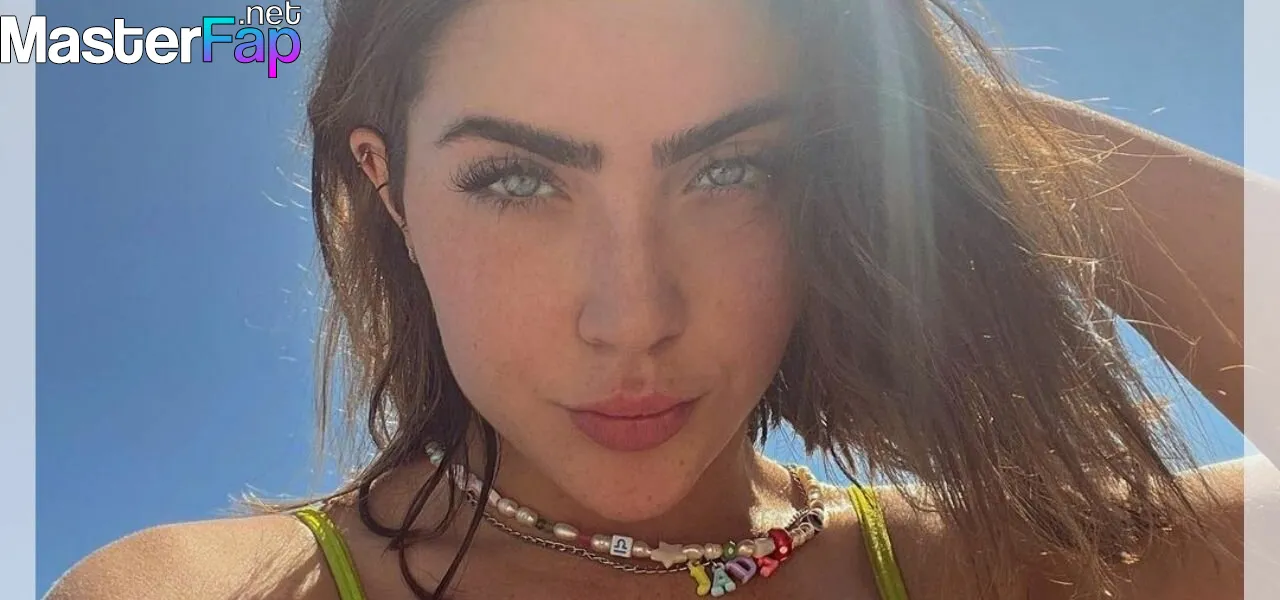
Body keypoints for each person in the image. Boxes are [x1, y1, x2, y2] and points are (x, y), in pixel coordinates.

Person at [46, 0, 1272, 598]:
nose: (632, 316)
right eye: (516, 179)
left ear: (833, 174)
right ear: (389, 188)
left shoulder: (1003, 568)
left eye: (732, 169)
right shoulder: (197, 596)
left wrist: (946, 131)